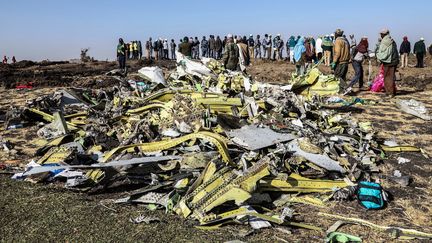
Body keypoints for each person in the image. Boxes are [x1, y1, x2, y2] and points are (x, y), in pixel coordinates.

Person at [376, 29, 399, 97]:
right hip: (394, 60)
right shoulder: (392, 40)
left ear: (384, 34)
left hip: (388, 61)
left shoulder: (385, 41)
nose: (381, 35)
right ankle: (392, 92)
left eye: (381, 34)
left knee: (387, 77)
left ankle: (389, 93)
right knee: (391, 77)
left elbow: (383, 53)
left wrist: (379, 58)